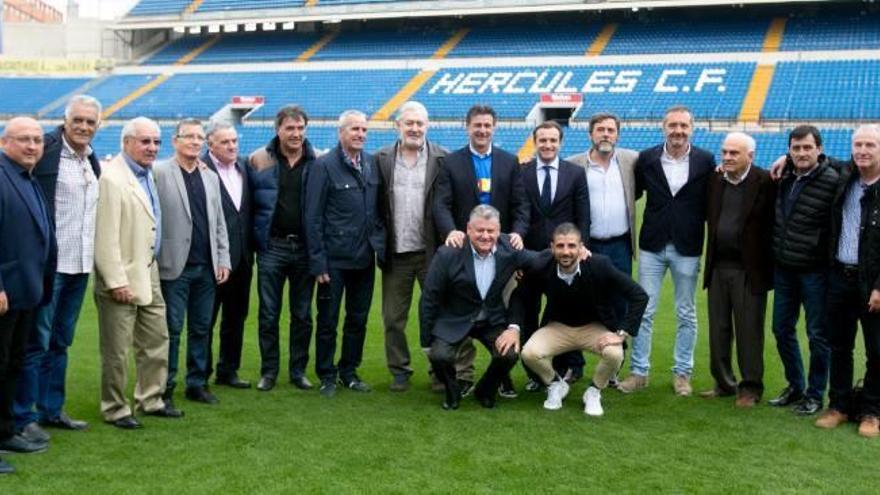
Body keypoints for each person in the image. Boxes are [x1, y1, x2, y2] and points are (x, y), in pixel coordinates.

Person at [13, 96, 100, 440]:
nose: (83, 127)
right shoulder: (46, 150)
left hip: (80, 265)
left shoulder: (91, 159)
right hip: (50, 266)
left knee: (61, 341)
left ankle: (52, 409)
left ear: (98, 126)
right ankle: (24, 414)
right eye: (77, 120)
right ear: (65, 120)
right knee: (37, 341)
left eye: (90, 122)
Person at [618, 105, 716, 396]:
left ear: (692, 129)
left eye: (684, 126)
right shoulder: (647, 158)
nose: (678, 131)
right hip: (652, 245)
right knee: (644, 310)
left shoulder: (705, 160)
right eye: (673, 125)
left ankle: (682, 373)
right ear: (664, 127)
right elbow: (632, 193)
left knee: (686, 313)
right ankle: (639, 372)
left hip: (688, 245)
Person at [433, 104, 529, 396]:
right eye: (477, 125)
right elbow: (441, 203)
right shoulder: (451, 162)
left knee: (500, 311)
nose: (482, 130)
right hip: (466, 251)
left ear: (494, 128)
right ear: (468, 127)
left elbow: (521, 205)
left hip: (500, 252)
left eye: (487, 125)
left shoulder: (509, 161)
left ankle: (501, 375)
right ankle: (463, 374)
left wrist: (518, 234)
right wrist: (451, 231)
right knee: (463, 310)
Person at [94, 117, 183, 429]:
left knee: (157, 339)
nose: (152, 147)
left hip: (149, 271)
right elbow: (104, 236)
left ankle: (151, 398)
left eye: (156, 142)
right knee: (117, 350)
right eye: (145, 141)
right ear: (127, 142)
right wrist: (116, 280)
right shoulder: (111, 178)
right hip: (121, 276)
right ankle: (116, 408)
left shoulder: (147, 174)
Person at [420, 205, 549, 410]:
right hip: (455, 318)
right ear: (468, 229)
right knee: (438, 355)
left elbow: (540, 259)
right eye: (480, 230)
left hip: (491, 320)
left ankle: (485, 391)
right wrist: (426, 340)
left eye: (491, 231)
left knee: (509, 354)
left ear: (499, 231)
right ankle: (452, 391)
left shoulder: (508, 249)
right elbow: (429, 297)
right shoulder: (448, 253)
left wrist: (577, 251)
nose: (485, 236)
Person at [515, 223, 646, 416]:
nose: (566, 252)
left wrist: (622, 333)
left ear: (581, 247)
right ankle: (556, 385)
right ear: (552, 247)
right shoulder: (541, 266)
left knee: (615, 354)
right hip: (557, 327)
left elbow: (639, 295)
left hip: (593, 328)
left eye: (571, 246)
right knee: (529, 353)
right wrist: (513, 327)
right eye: (560, 246)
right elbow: (519, 293)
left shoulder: (599, 265)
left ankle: (594, 391)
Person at [374, 101, 457, 392]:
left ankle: (440, 371)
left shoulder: (443, 158)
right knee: (393, 318)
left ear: (427, 126)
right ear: (398, 125)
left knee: (436, 315)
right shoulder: (381, 158)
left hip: (431, 252)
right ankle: (399, 370)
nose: (414, 128)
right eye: (409, 123)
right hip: (395, 253)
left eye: (420, 124)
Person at [305, 110, 386, 397]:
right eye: (355, 129)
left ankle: (349, 371)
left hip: (364, 259)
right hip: (334, 261)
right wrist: (318, 262)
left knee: (357, 319)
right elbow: (312, 217)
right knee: (327, 320)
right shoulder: (323, 165)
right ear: (341, 133)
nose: (360, 135)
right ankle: (326, 374)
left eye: (364, 130)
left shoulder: (372, 163)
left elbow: (376, 210)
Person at [154, 119, 230, 406]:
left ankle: (196, 384)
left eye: (200, 137)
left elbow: (219, 222)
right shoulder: (160, 172)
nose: (195, 142)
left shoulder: (210, 176)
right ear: (175, 141)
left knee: (201, 328)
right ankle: (165, 387)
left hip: (206, 267)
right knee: (171, 330)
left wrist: (223, 258)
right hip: (174, 266)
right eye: (189, 137)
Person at [767, 125, 838, 416]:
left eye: (807, 147)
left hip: (815, 271)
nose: (801, 153)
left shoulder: (833, 179)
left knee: (818, 334)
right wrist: (785, 159)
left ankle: (815, 393)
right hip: (784, 268)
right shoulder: (785, 175)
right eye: (795, 148)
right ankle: (795, 384)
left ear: (819, 149)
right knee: (781, 329)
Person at [701, 132, 775, 408]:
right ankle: (723, 382)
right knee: (718, 329)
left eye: (735, 153)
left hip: (749, 271)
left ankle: (750, 388)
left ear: (751, 156)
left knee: (748, 331)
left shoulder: (766, 181)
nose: (728, 157)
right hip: (718, 267)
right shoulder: (716, 180)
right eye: (725, 152)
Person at [816, 125, 880, 438]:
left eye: (870, 145)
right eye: (858, 144)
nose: (863, 150)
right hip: (840, 277)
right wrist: (785, 161)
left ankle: (872, 412)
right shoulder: (846, 179)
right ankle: (839, 406)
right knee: (839, 347)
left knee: (877, 352)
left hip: (873, 285)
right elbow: (820, 161)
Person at [0, 117, 56, 473]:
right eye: (24, 139)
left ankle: (5, 431)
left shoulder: (25, 176)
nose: (33, 146)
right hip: (6, 292)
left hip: (26, 291)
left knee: (11, 366)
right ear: (5, 142)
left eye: (37, 139)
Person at [249, 105, 317, 392]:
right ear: (278, 130)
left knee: (302, 314)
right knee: (268, 313)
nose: (296, 134)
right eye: (290, 128)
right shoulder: (258, 159)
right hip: (272, 247)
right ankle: (269, 371)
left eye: (300, 128)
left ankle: (298, 371)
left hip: (303, 248)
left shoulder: (316, 161)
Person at [517, 121, 589, 390]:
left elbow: (583, 215)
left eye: (552, 140)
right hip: (530, 258)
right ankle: (535, 374)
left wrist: (581, 249)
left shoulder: (574, 173)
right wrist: (518, 257)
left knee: (563, 313)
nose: (547, 145)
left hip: (565, 257)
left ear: (560, 143)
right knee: (527, 314)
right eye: (542, 140)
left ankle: (563, 368)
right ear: (535, 142)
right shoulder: (522, 173)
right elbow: (518, 214)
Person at [202, 121, 254, 389]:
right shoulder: (199, 169)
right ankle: (201, 373)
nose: (232, 146)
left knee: (236, 317)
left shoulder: (245, 166)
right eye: (225, 142)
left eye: (234, 141)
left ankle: (228, 370)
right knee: (205, 319)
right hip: (212, 260)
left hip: (243, 258)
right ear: (210, 144)